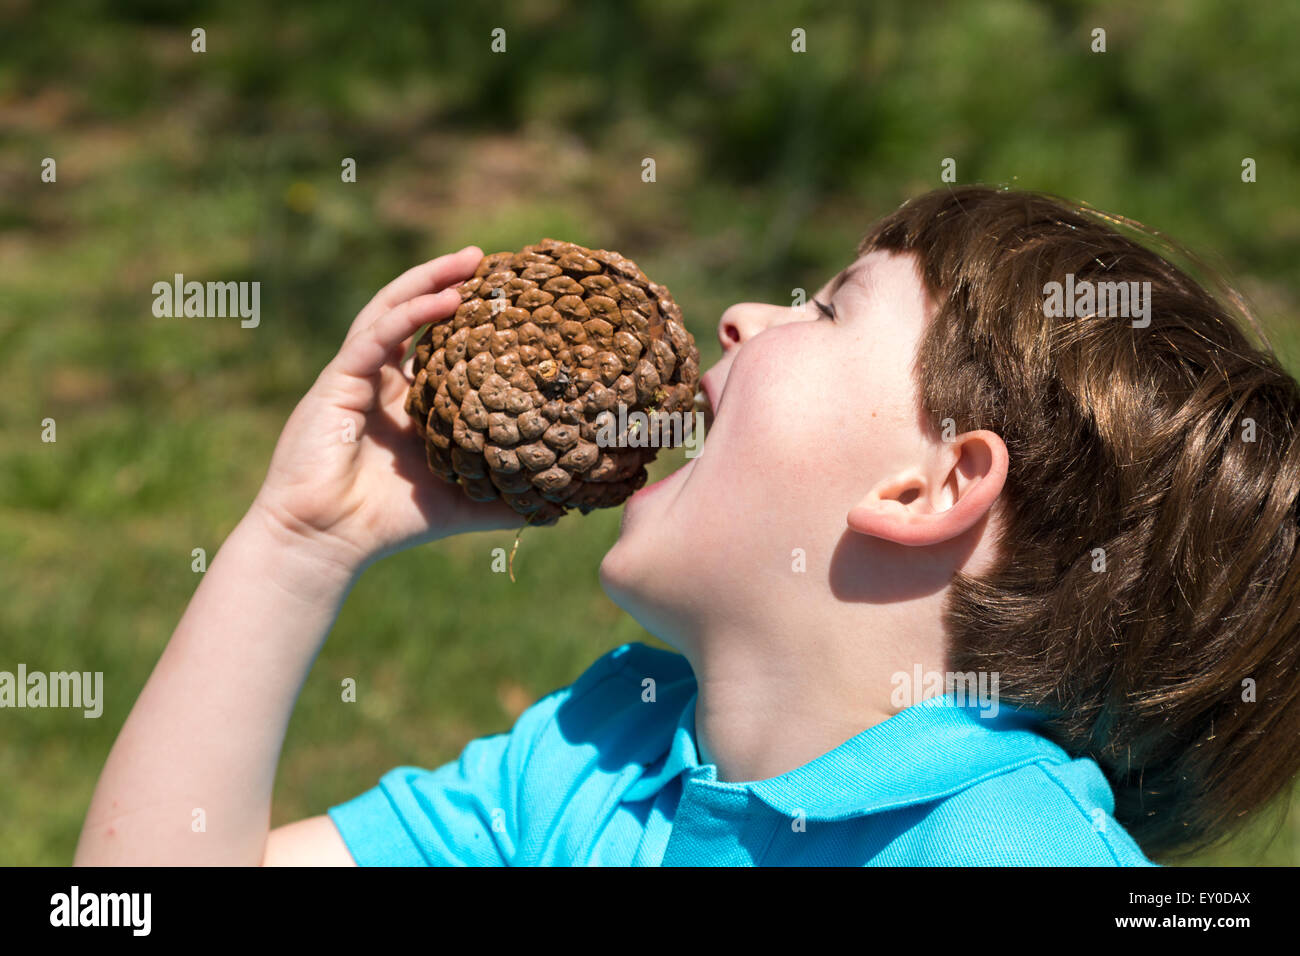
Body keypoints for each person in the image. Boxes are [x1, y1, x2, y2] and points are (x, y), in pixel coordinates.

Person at [76, 187, 1300, 866]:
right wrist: (299, 544)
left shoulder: (1007, 851)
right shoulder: (601, 760)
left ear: (932, 487)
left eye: (823, 309)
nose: (737, 315)